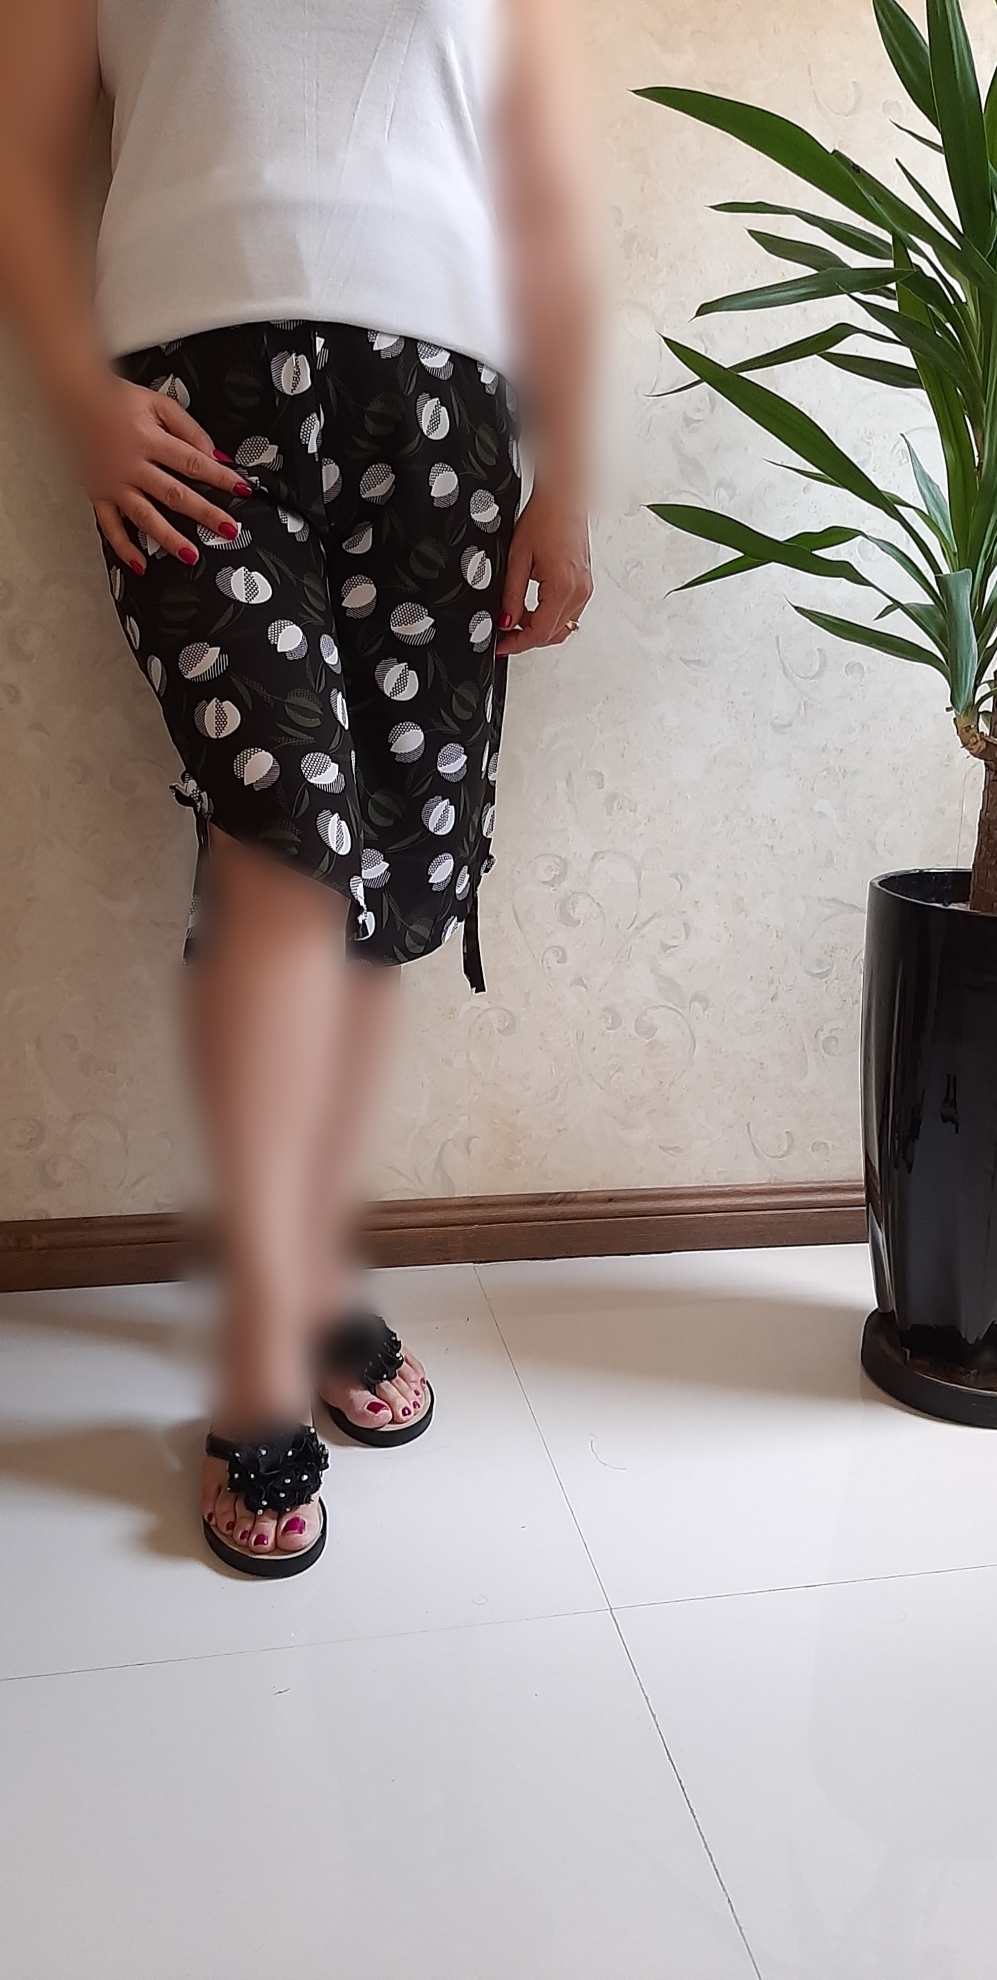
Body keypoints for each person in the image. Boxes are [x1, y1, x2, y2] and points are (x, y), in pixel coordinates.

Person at [0, 0, 596, 1574]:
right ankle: (264, 1360)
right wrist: (75, 395)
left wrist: (570, 484)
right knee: (287, 848)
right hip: (197, 411)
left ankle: (310, 1263)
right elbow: (21, 158)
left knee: (383, 882)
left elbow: (543, 198)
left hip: (448, 417)